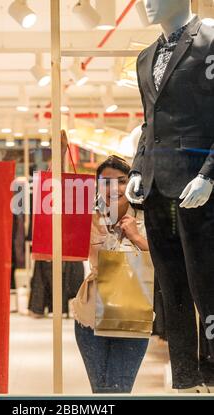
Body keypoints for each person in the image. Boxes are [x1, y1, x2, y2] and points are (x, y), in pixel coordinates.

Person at [126, 0, 214, 392]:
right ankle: (186, 377)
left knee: (207, 286)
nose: (147, 2)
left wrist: (209, 175)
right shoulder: (146, 57)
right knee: (172, 287)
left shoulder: (210, 40)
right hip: (157, 188)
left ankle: (212, 375)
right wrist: (135, 169)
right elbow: (150, 124)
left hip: (201, 187)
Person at [71, 150, 149, 394]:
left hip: (132, 317)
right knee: (100, 393)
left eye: (121, 181)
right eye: (106, 182)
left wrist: (136, 236)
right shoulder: (89, 218)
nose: (113, 188)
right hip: (89, 317)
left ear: (131, 183)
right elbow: (63, 235)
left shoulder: (147, 219)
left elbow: (165, 260)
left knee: (120, 391)